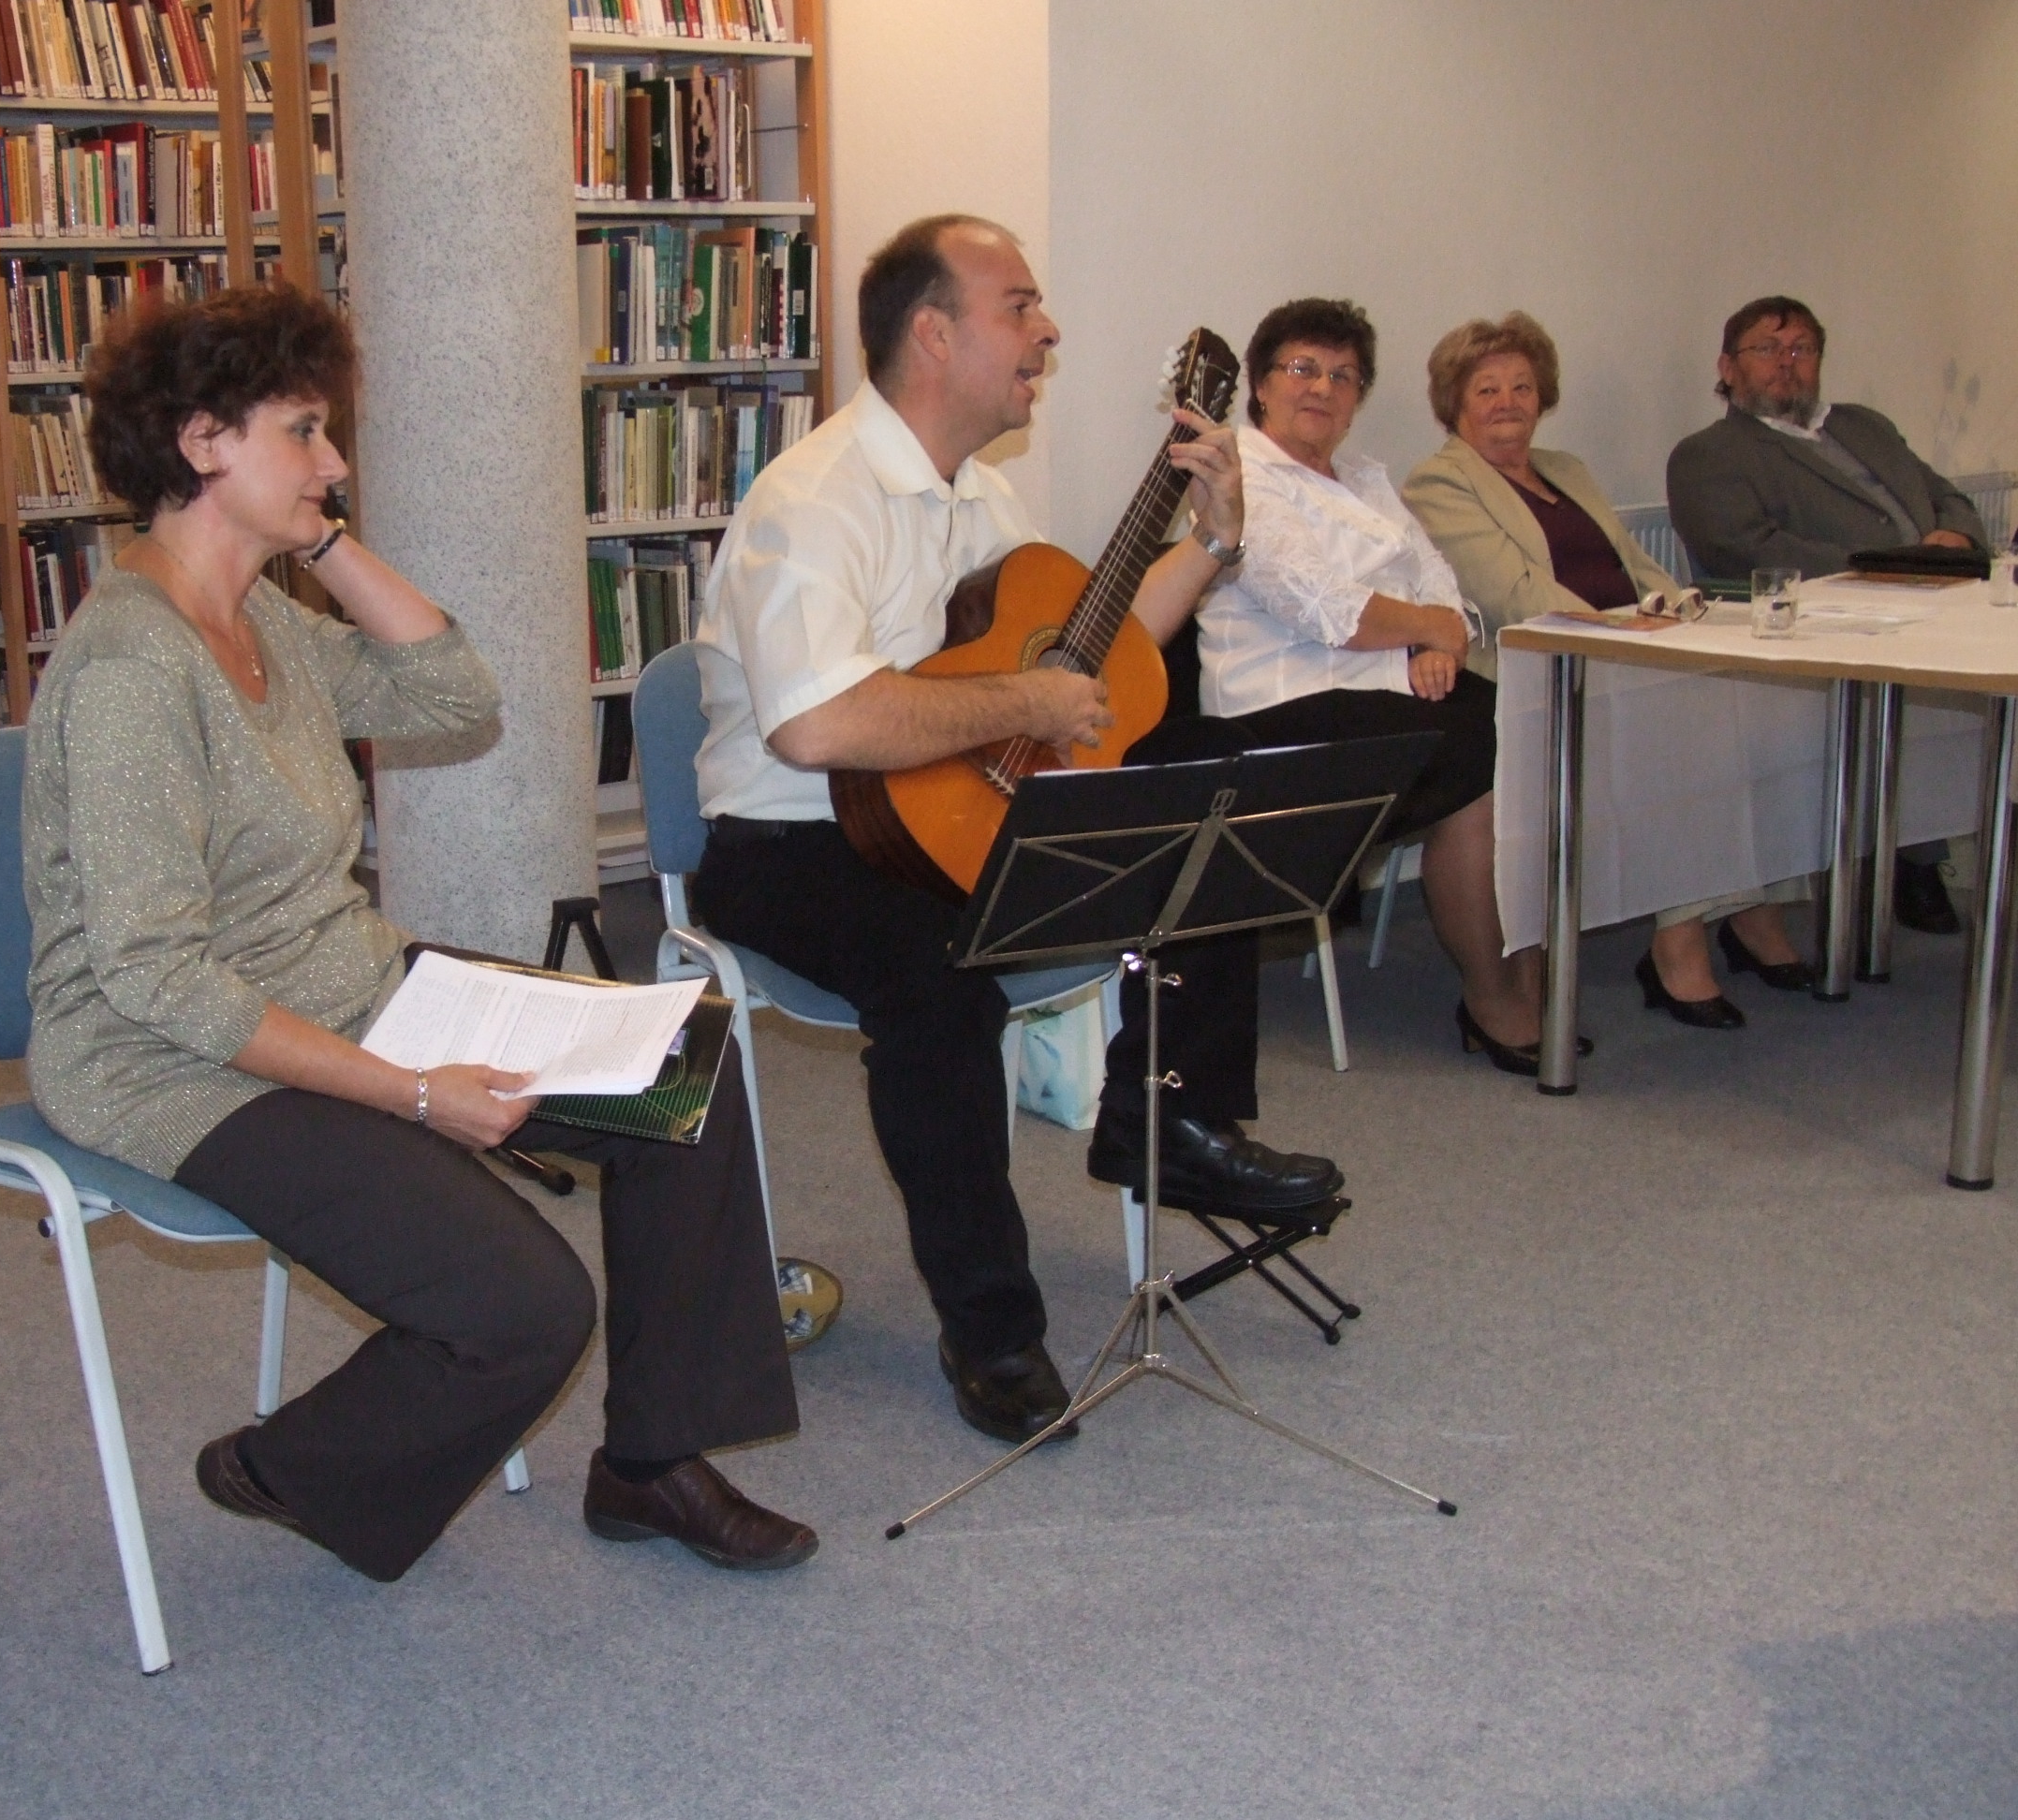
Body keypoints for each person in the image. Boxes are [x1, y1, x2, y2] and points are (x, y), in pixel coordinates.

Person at [22, 285, 814, 1585]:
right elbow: (159, 978)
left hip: (347, 987)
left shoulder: (262, 618)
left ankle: (651, 1462)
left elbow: (453, 690)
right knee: (526, 1307)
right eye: (303, 432)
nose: (334, 461)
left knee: (685, 1072)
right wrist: (414, 1095)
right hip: (169, 1061)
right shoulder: (129, 672)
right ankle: (286, 1467)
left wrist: (321, 537)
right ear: (203, 441)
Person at [688, 215, 1339, 1448]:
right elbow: (817, 729)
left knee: (1195, 801)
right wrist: (1022, 705)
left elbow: (1096, 659)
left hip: (954, 812)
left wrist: (1212, 539)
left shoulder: (981, 495)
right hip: (789, 840)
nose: (1049, 331)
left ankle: (1170, 1117)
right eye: (1021, 306)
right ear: (934, 334)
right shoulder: (811, 500)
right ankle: (992, 1329)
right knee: (938, 981)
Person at [1133, 296, 1559, 1075]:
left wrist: (1436, 638)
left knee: (1518, 731)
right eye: (1303, 368)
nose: (1322, 388)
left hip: (1388, 690)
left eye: (1343, 375)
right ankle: (1500, 994)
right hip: (1284, 713)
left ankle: (1508, 985)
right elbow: (1330, 610)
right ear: (1262, 385)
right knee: (1492, 737)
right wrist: (1429, 631)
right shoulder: (1240, 478)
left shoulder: (1365, 478)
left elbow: (1442, 585)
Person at [1403, 312, 1815, 1029]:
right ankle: (1680, 941)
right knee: (1692, 733)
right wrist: (1632, 637)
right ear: (1455, 404)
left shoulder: (1567, 470)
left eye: (1522, 386)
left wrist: (1678, 612)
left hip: (1630, 654)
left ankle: (1751, 910)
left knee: (1761, 709)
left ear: (1544, 395)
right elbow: (1517, 596)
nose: (1507, 402)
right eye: (1487, 389)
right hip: (1537, 674)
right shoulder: (1439, 483)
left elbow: (1638, 565)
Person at [1666, 295, 1986, 934]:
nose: (1786, 362)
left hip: (1932, 602)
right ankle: (1910, 857)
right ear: (1727, 368)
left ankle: (1924, 845)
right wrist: (1889, 568)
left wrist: (1953, 536)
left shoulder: (1864, 426)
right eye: (1767, 349)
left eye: (1801, 349)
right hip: (1824, 628)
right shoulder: (1710, 454)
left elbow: (1945, 495)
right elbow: (1745, 548)